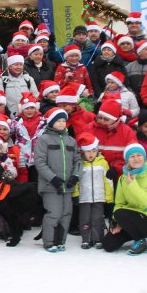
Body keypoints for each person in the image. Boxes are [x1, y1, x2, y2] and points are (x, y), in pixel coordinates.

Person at [100, 143, 147, 255]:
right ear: (127, 160)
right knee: (108, 244)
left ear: (144, 157)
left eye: (139, 155)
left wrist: (133, 185)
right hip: (129, 219)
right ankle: (135, 235)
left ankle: (141, 242)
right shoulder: (122, 178)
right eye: (132, 156)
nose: (136, 159)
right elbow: (119, 203)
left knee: (120, 213)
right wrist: (119, 223)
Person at [34, 108, 82, 252]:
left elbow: (78, 160)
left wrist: (75, 176)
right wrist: (53, 178)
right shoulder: (44, 139)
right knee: (53, 213)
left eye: (64, 121)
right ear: (52, 122)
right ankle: (49, 242)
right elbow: (40, 162)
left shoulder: (71, 140)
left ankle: (61, 240)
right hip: (51, 185)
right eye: (58, 121)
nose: (62, 124)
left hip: (67, 185)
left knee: (66, 213)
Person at [75, 133, 112, 249]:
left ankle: (98, 238)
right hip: (84, 197)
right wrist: (76, 194)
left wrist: (110, 197)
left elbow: (108, 181)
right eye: (88, 151)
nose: (91, 154)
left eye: (93, 151)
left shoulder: (103, 163)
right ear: (83, 152)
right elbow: (76, 179)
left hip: (99, 197)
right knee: (85, 219)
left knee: (98, 218)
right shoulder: (80, 164)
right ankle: (86, 238)